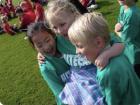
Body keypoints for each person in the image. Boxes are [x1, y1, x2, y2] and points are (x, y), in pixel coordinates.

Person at [39, 0, 125, 104]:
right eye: (54, 27)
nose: (59, 31)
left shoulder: (88, 30)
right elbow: (46, 46)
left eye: (62, 24)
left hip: (101, 74)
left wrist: (106, 54)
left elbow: (120, 44)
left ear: (75, 15)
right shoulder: (59, 41)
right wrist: (40, 54)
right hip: (78, 80)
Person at [68, 12, 140, 105]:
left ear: (98, 42)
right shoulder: (117, 51)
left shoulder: (105, 72)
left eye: (79, 46)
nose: (77, 52)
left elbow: (112, 101)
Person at [27, 22, 69, 105]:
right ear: (34, 47)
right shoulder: (46, 68)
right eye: (39, 45)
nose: (46, 47)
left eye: (47, 40)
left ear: (53, 35)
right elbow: (61, 94)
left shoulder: (65, 43)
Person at [115, 0, 140, 78]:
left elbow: (126, 37)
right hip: (127, 51)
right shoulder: (123, 7)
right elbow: (119, 23)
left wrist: (116, 31)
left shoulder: (132, 14)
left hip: (135, 54)